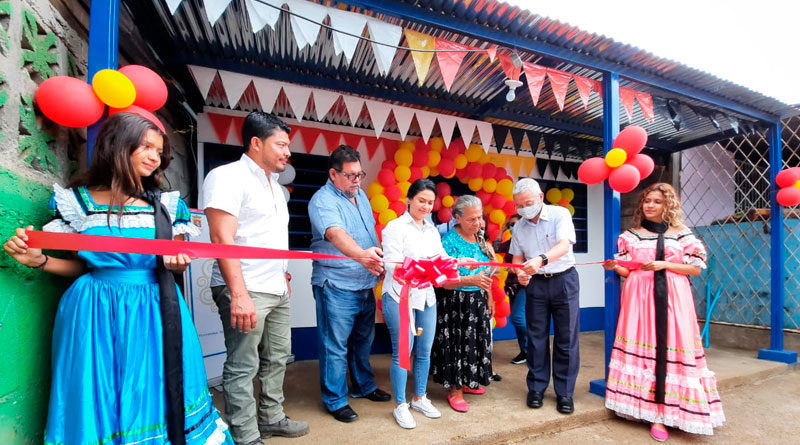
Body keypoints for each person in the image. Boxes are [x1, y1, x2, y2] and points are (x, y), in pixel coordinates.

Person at [3, 112, 232, 444]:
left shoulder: (168, 205)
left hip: (155, 309)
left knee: (152, 385)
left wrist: (177, 262)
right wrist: (39, 261)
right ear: (117, 144)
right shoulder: (76, 202)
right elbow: (85, 267)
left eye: (160, 151)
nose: (155, 157)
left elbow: (175, 264)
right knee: (97, 390)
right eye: (145, 146)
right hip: (92, 312)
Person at [203, 111, 309, 444]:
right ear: (255, 142)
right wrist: (239, 294)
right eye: (281, 144)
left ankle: (271, 417)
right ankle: (246, 433)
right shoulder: (227, 177)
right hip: (245, 287)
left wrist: (283, 274)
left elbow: (268, 238)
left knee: (278, 357)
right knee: (243, 364)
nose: (287, 152)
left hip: (276, 287)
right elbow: (222, 238)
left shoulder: (275, 187)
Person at [602, 183, 725, 441]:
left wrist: (663, 264)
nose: (650, 205)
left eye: (656, 201)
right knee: (645, 350)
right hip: (639, 297)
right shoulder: (631, 235)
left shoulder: (682, 234)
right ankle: (647, 409)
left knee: (669, 346)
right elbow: (629, 270)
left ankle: (667, 412)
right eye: (646, 200)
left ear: (667, 205)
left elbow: (695, 269)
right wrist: (615, 266)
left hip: (672, 295)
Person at [308, 144, 391, 423]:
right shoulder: (322, 200)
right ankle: (335, 399)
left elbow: (369, 234)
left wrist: (377, 263)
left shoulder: (361, 195)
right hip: (336, 284)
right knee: (335, 345)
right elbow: (334, 234)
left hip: (364, 283)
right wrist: (362, 257)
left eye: (360, 174)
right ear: (333, 174)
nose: (357, 180)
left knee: (362, 342)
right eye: (351, 175)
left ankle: (364, 386)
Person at [510, 178, 580, 415]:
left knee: (566, 337)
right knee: (536, 337)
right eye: (518, 206)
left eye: (527, 203)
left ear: (540, 197)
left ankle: (565, 392)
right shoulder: (518, 227)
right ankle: (537, 387)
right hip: (536, 285)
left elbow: (563, 246)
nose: (523, 209)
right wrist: (519, 272)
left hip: (564, 280)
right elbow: (517, 258)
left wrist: (541, 259)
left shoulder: (560, 214)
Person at [381, 179, 445, 429]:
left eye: (430, 202)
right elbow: (390, 264)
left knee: (424, 350)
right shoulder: (394, 227)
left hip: (426, 296)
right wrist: (422, 267)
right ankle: (400, 405)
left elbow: (441, 258)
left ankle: (419, 397)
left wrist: (455, 262)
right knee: (402, 354)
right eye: (421, 200)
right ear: (409, 199)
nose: (426, 206)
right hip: (400, 296)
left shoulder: (431, 230)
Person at [431, 195, 494, 413]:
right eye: (471, 219)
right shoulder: (448, 242)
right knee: (456, 346)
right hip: (455, 302)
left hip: (477, 299)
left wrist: (490, 297)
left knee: (474, 342)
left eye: (480, 217)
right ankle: (455, 391)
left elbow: (487, 272)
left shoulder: (480, 238)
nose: (477, 223)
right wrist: (471, 280)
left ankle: (468, 382)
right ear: (457, 218)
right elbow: (444, 280)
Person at [493, 214, 527, 365]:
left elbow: (529, 265)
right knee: (518, 319)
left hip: (525, 285)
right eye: (511, 225)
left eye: (515, 224)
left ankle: (536, 348)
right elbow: (495, 248)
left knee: (518, 318)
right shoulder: (511, 242)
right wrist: (502, 230)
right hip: (512, 286)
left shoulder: (528, 242)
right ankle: (525, 351)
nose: (513, 227)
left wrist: (511, 269)